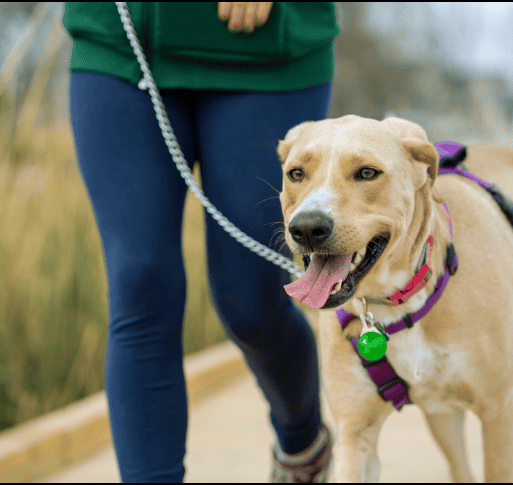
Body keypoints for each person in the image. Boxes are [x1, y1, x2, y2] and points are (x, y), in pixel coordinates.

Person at [63, 2, 339, 482]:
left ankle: (303, 441)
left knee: (251, 303)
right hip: (121, 48)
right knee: (140, 283)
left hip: (265, 51)